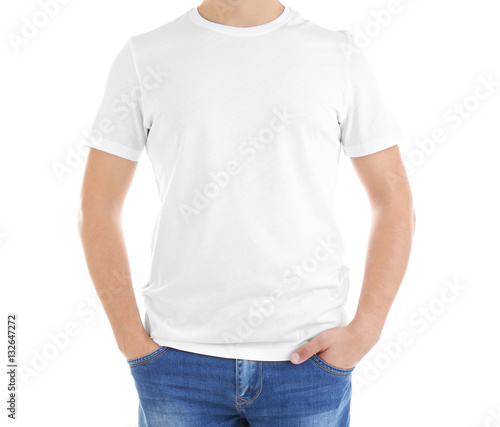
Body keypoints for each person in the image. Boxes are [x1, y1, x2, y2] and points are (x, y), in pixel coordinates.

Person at [78, 0, 416, 425]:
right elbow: (98, 205)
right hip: (176, 364)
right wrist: (131, 339)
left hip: (307, 361)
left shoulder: (338, 55)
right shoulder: (146, 55)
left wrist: (365, 330)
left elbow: (393, 195)